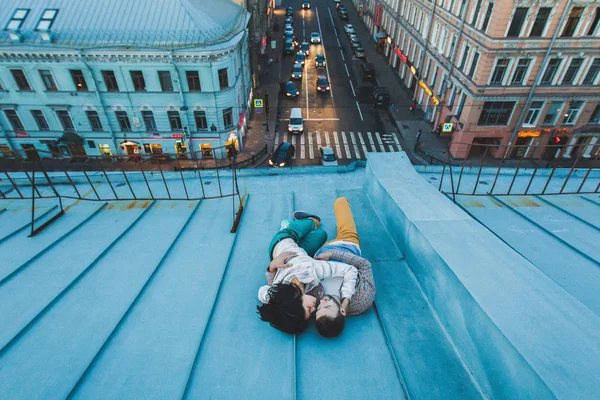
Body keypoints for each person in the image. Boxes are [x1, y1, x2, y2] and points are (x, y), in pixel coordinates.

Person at [259, 198, 376, 337]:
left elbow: (270, 292)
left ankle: (297, 225)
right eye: (322, 307)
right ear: (342, 312)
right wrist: (334, 254)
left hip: (311, 254)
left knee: (317, 231)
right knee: (339, 204)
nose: (319, 303)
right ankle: (316, 217)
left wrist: (271, 267)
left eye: (312, 310)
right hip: (346, 245)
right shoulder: (362, 299)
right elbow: (364, 265)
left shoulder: (309, 286)